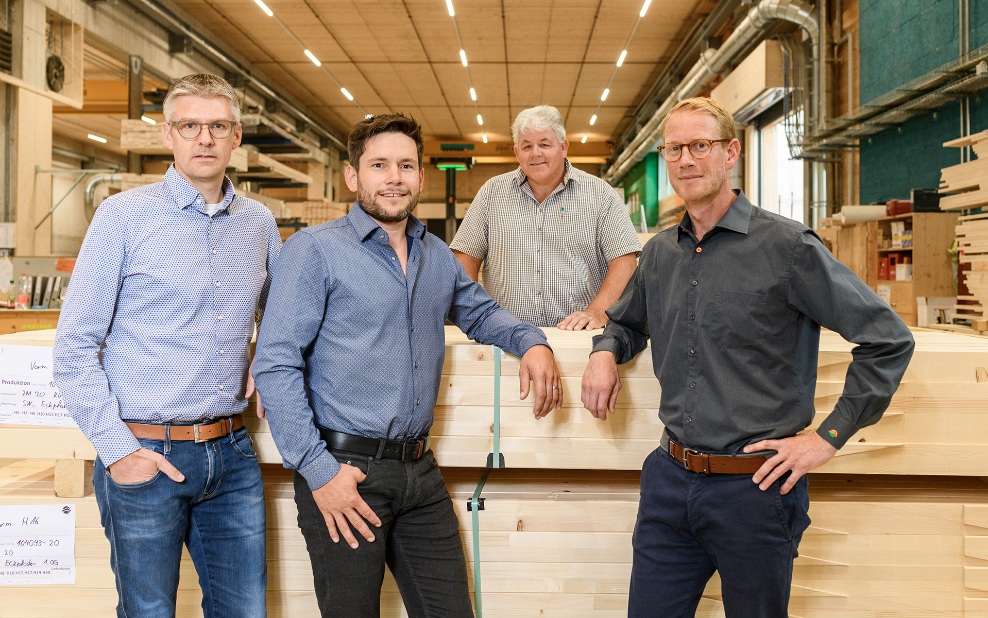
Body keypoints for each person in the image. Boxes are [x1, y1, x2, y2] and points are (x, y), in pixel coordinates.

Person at [580, 96, 915, 617]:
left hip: (755, 493)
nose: (686, 160)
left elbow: (888, 339)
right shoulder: (660, 254)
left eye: (700, 145)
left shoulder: (787, 248)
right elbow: (625, 321)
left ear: (731, 151)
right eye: (675, 149)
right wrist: (605, 350)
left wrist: (825, 439)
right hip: (670, 481)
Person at [252, 113, 561, 618]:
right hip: (342, 471)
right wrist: (317, 470)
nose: (394, 177)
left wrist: (533, 343)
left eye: (406, 165)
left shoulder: (435, 255)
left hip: (419, 474)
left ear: (420, 177)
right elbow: (275, 364)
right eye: (379, 165)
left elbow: (479, 312)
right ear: (353, 177)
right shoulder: (315, 251)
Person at [53, 73, 279, 618]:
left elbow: (283, 307)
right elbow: (74, 346)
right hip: (145, 451)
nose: (205, 138)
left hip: (231, 455)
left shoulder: (259, 223)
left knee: (245, 611)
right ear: (168, 135)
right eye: (190, 126)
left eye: (217, 126)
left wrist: (267, 354)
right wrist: (118, 450)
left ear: (236, 136)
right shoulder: (122, 218)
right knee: (150, 613)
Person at [451, 105, 641, 330]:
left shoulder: (600, 194)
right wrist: (475, 314)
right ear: (516, 152)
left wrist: (598, 312)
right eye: (527, 146)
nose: (535, 153)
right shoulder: (492, 193)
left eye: (544, 144)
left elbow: (625, 262)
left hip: (579, 339)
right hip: (506, 338)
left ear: (563, 147)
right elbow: (464, 258)